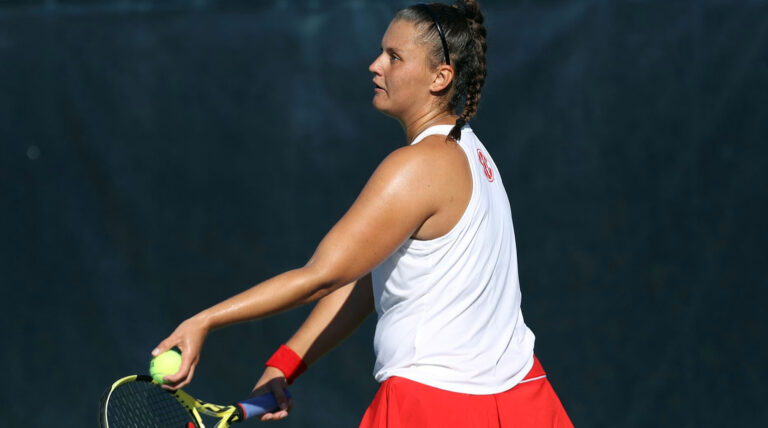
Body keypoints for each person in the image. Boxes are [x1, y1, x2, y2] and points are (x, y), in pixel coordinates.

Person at [152, 1, 573, 426]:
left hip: (434, 406)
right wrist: (287, 362)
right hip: (523, 401)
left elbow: (321, 275)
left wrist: (203, 321)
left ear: (440, 77)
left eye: (394, 57)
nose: (375, 66)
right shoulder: (472, 153)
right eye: (381, 52)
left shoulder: (417, 166)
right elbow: (372, 277)